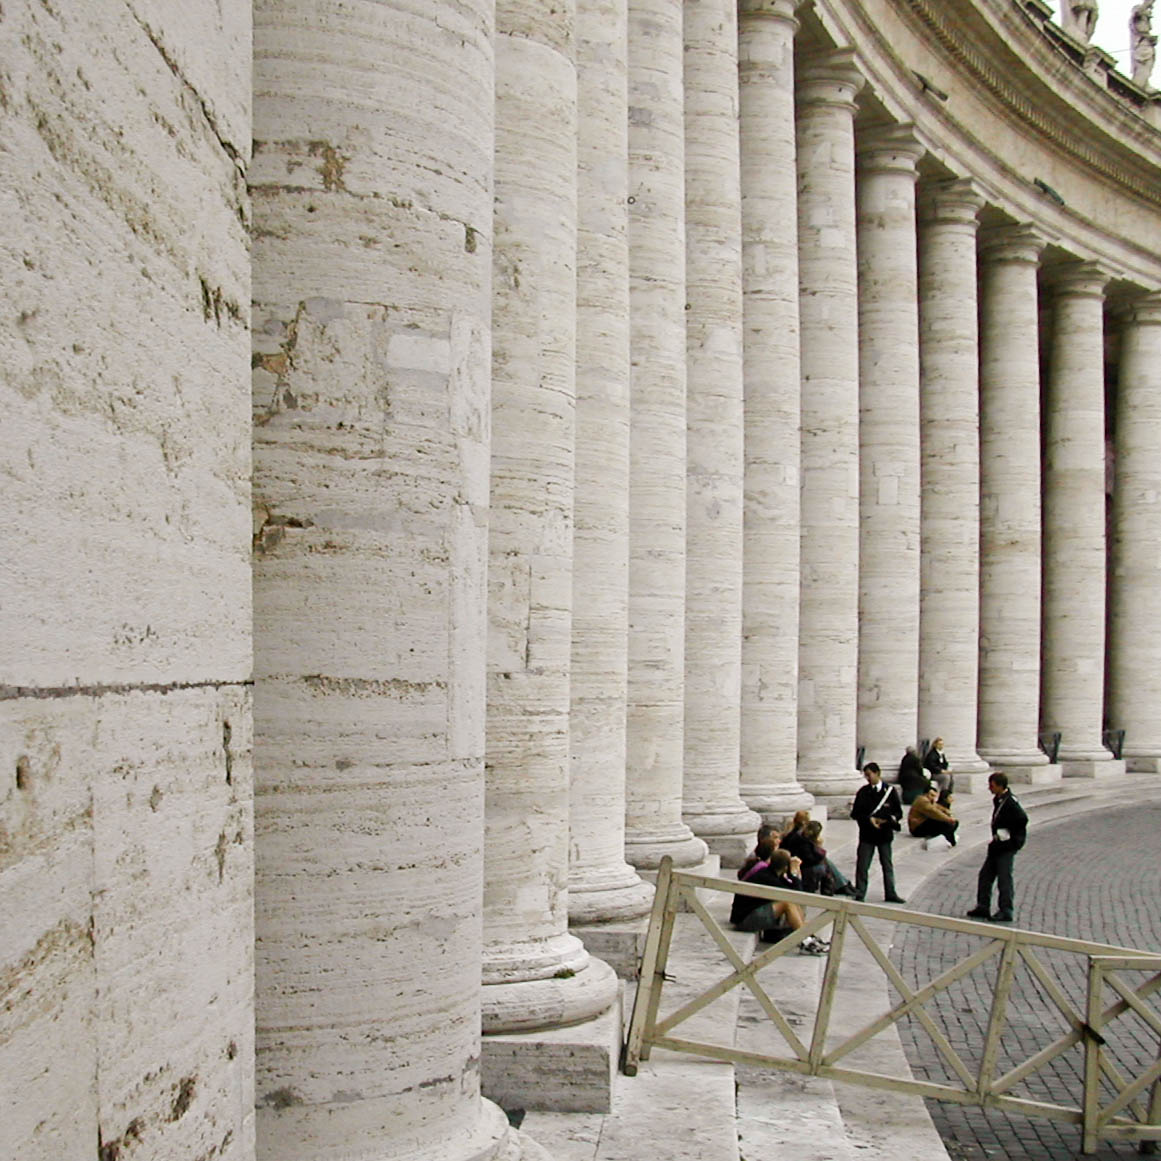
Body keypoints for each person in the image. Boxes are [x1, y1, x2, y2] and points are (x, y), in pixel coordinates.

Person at [729, 849, 830, 954]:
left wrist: (792, 875)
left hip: (752, 914)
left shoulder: (773, 874)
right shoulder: (767, 877)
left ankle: (808, 937)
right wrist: (794, 874)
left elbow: (795, 893)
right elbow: (797, 894)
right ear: (786, 866)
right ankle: (805, 940)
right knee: (787, 904)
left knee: (792, 903)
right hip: (744, 920)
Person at [966, 772, 1028, 923]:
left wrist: (1011, 837)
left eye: (992, 785)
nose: (989, 788)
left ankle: (1006, 910)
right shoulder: (999, 800)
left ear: (1000, 786)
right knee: (985, 876)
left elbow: (1022, 819)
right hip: (997, 846)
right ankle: (983, 906)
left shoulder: (1011, 803)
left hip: (1006, 846)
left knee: (1004, 878)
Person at [850, 762, 906, 903]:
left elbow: (898, 812)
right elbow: (856, 813)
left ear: (877, 773)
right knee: (863, 865)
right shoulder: (863, 792)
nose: (868, 778)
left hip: (884, 834)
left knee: (887, 864)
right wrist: (870, 820)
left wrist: (887, 820)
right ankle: (860, 892)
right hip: (867, 834)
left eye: (870, 775)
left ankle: (890, 892)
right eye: (866, 776)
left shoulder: (889, 791)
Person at [800, 819, 857, 896]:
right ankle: (842, 885)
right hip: (806, 866)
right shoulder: (803, 842)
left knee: (827, 863)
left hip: (809, 863)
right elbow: (809, 859)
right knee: (825, 866)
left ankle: (843, 884)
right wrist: (820, 851)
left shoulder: (805, 840)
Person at [923, 737, 954, 806]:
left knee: (950, 776)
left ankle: (949, 793)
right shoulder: (932, 754)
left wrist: (947, 769)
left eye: (942, 744)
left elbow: (945, 763)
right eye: (939, 744)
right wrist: (941, 770)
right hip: (934, 773)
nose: (941, 746)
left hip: (940, 772)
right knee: (945, 778)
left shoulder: (941, 754)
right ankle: (944, 795)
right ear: (935, 745)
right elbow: (932, 766)